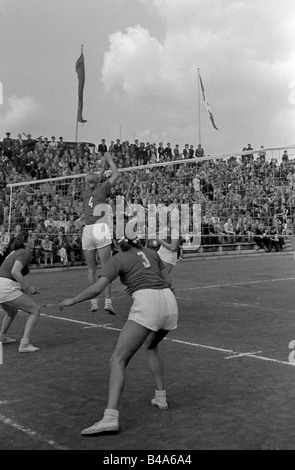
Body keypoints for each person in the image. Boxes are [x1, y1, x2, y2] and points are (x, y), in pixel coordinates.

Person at [60, 234, 178, 436]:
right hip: (169, 302)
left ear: (116, 243)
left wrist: (73, 300)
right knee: (150, 346)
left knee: (117, 359)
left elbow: (97, 288)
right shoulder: (151, 252)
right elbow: (168, 281)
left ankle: (110, 418)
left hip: (148, 301)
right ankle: (161, 397)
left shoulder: (116, 259)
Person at [82, 152, 119, 314]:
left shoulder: (85, 194)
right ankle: (108, 302)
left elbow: (96, 180)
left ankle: (94, 302)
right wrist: (109, 160)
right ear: (97, 182)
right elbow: (116, 174)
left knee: (91, 269)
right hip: (100, 229)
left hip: (87, 231)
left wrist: (102, 168)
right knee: (106, 268)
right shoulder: (102, 189)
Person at [0, 232, 41, 352]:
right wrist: (28, 288)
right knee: (35, 310)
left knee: (11, 311)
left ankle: (2, 337)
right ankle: (24, 344)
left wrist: (22, 288)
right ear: (24, 242)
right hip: (6, 286)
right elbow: (14, 272)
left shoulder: (15, 252)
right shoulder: (24, 253)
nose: (33, 239)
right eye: (31, 238)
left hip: (2, 285)